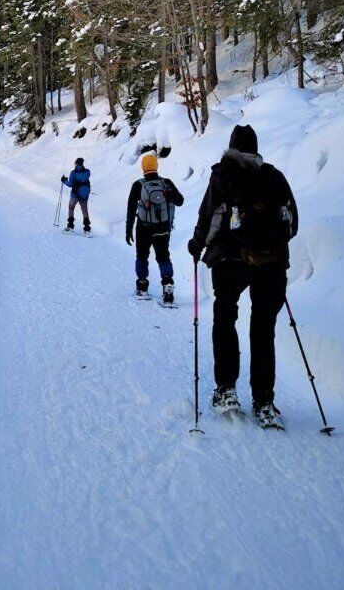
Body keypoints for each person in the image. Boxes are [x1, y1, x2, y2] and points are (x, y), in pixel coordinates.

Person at [188, 124, 298, 429]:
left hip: (230, 259)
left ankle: (226, 389)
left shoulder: (224, 174)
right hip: (271, 263)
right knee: (264, 329)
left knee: (225, 318)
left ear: (232, 147)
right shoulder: (273, 177)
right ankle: (264, 401)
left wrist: (196, 246)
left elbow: (208, 217)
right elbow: (293, 223)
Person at [125, 153, 184, 304]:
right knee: (163, 256)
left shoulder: (139, 184)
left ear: (143, 167)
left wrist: (128, 229)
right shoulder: (166, 182)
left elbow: (131, 208)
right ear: (156, 166)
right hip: (163, 228)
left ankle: (142, 287)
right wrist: (170, 194)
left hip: (143, 228)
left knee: (142, 256)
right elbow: (180, 201)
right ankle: (168, 284)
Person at [61, 158, 91, 233]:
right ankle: (87, 229)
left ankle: (70, 227)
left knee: (71, 208)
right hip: (84, 195)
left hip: (75, 195)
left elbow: (70, 184)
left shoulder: (73, 173)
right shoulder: (87, 172)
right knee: (84, 210)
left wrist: (64, 180)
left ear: (77, 164)